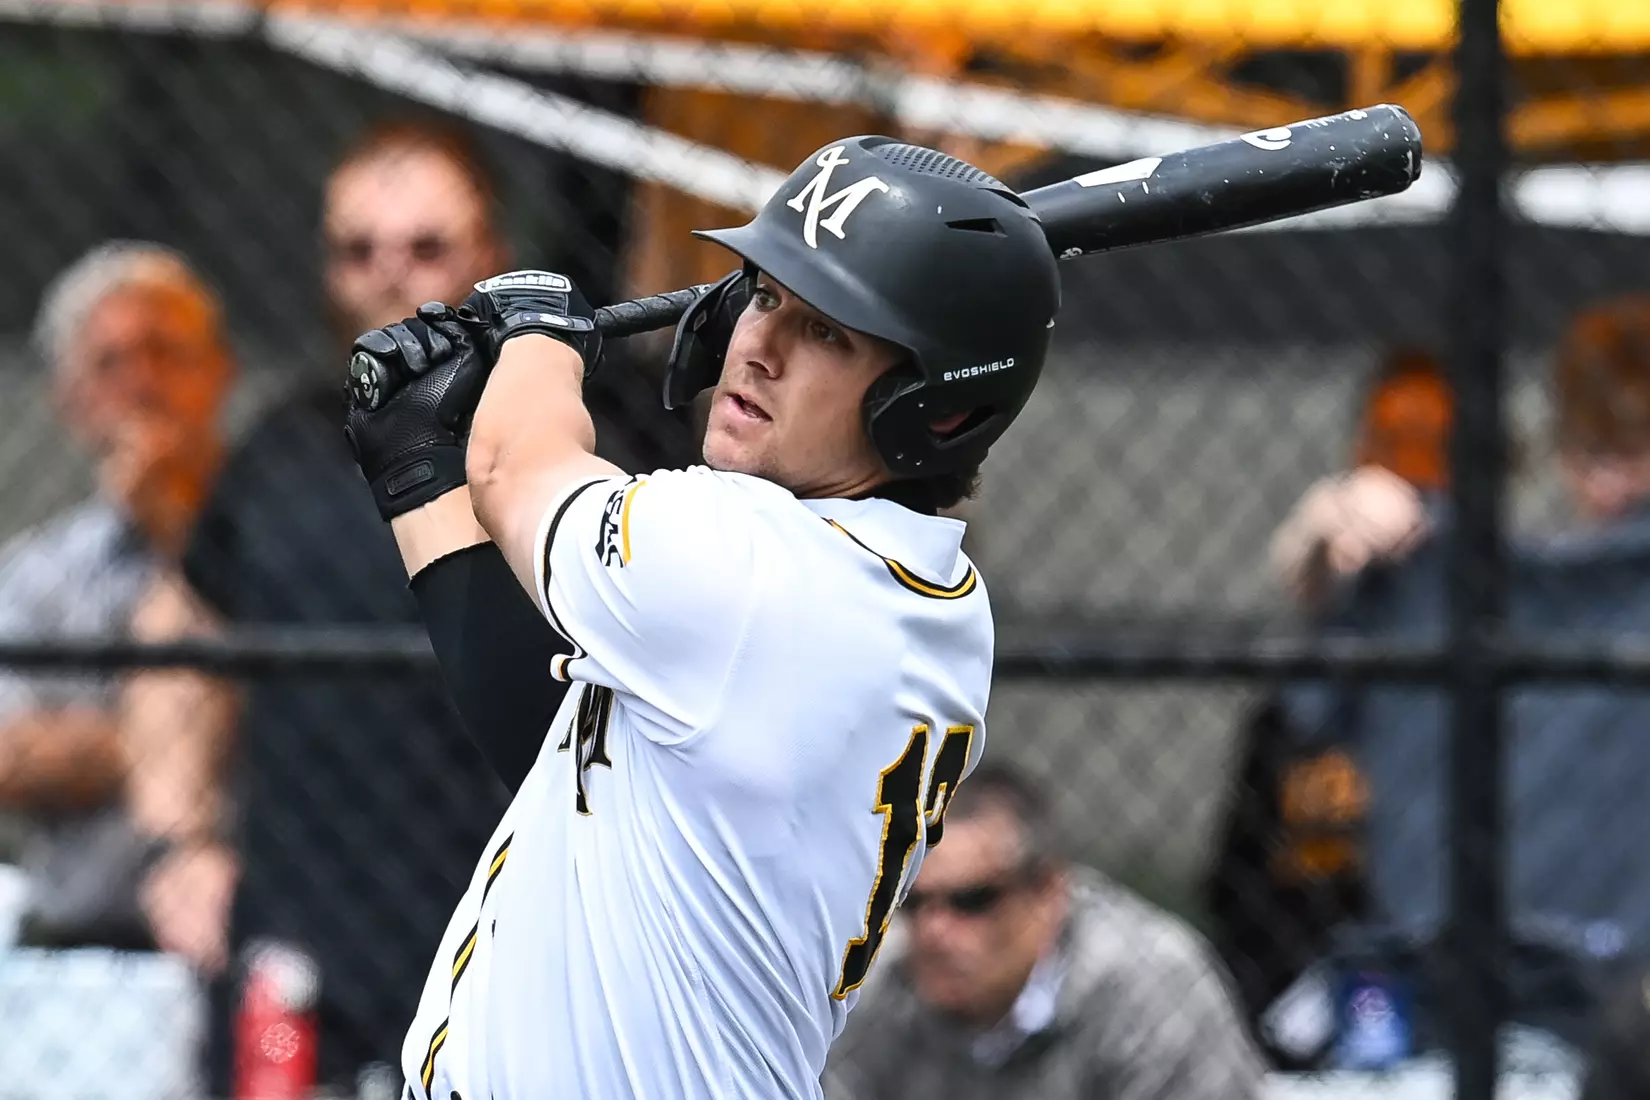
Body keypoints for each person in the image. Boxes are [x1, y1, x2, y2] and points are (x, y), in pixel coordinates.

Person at [341, 135, 1061, 1099]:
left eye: (829, 333)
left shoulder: (756, 569)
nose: (757, 348)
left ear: (933, 411)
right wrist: (419, 476)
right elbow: (566, 767)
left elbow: (515, 467)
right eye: (763, 296)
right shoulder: (915, 601)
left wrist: (536, 332)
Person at [125, 119, 638, 1096]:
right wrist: (175, 842)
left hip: (532, 946)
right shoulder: (279, 451)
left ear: (491, 254)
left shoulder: (594, 442)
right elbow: (177, 629)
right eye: (358, 249)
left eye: (425, 247)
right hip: (305, 955)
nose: (388, 275)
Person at [1280, 296, 1650, 1049]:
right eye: (1598, 451)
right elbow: (1299, 717)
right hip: (1437, 981)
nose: (1621, 485)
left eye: (1640, 448)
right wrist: (1322, 545)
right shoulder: (1427, 567)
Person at [0, 242, 234, 951]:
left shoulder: (279, 544)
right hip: (84, 941)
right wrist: (191, 733)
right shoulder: (37, 571)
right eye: (109, 363)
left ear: (220, 374)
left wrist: (172, 527)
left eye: (165, 352)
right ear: (68, 400)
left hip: (247, 933)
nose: (140, 382)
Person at [823, 762, 1264, 1100]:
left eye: (973, 900)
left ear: (1048, 893)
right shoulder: (878, 987)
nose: (934, 930)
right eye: (912, 903)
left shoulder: (1153, 988)